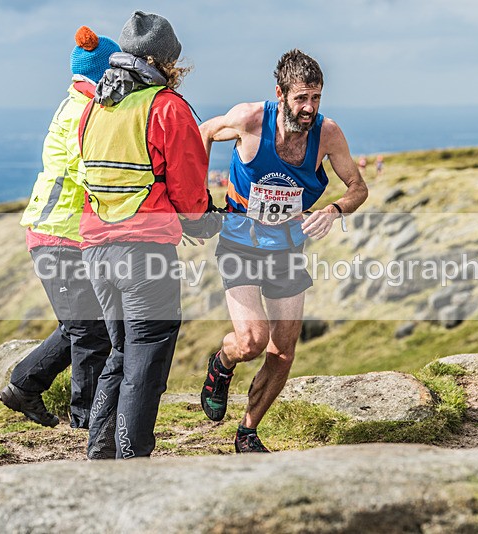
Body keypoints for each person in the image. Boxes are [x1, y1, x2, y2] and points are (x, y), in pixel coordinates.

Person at [199, 49, 368, 452]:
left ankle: (247, 432)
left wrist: (334, 210)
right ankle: (222, 364)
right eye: (301, 98)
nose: (309, 108)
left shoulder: (328, 134)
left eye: (316, 98)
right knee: (252, 341)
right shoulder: (249, 119)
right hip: (239, 240)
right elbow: (203, 132)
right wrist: (198, 196)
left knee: (283, 351)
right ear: (280, 93)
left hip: (287, 249)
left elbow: (358, 188)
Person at [78, 11, 209, 459]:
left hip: (95, 249)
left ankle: (99, 452)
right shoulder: (166, 107)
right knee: (147, 355)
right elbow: (190, 197)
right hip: (144, 253)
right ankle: (132, 461)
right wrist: (201, 221)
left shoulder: (94, 109)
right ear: (163, 60)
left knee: (120, 350)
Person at [0, 26, 117, 429]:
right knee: (89, 330)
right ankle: (85, 419)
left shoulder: (79, 105)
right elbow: (85, 168)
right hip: (58, 236)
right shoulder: (80, 113)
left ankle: (24, 386)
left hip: (64, 235)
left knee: (82, 325)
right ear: (103, 74)